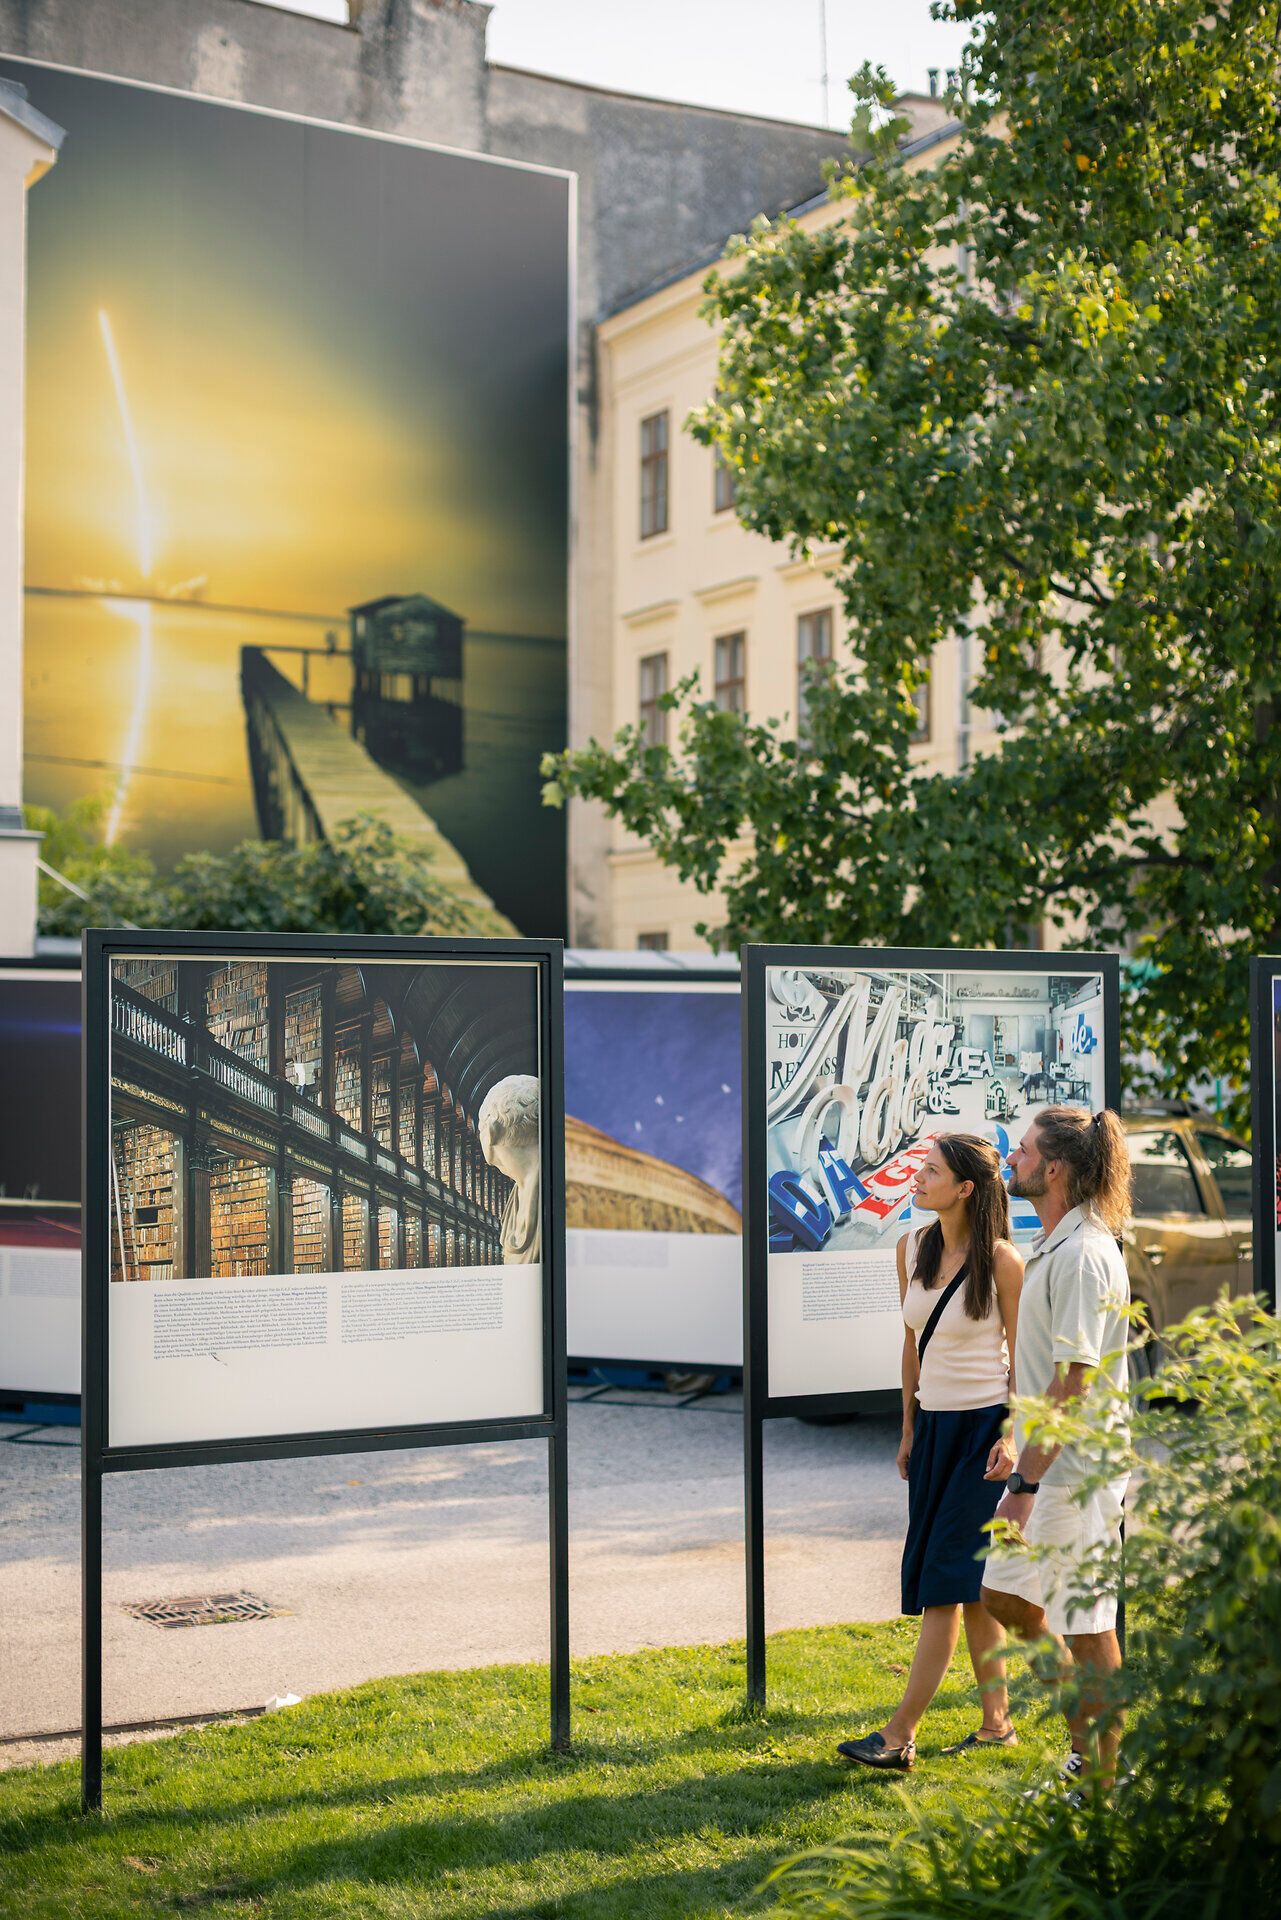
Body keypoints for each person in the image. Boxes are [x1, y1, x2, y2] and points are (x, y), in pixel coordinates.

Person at [838, 1133, 1023, 1771]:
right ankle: (998, 1724)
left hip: (982, 1433)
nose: (917, 1178)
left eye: (932, 1171)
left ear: (965, 1188)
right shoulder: (909, 1248)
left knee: (944, 1580)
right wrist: (908, 1428)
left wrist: (1011, 1435)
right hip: (935, 1431)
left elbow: (1022, 1361)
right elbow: (911, 1344)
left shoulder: (1001, 1260)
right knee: (968, 1586)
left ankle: (897, 1736)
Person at [980, 1106, 1132, 1796]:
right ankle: (1084, 1742)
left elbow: (1071, 1382)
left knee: (1087, 1621)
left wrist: (1024, 1487)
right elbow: (1043, 1372)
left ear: (1055, 1168)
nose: (1011, 1160)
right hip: (1046, 1464)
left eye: (1021, 1151)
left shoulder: (1081, 1254)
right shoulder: (1051, 1244)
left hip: (1076, 1473)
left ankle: (1102, 1776)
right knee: (1003, 1598)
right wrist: (1016, 1446)